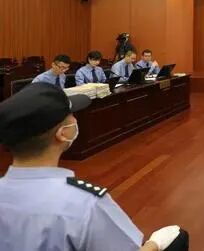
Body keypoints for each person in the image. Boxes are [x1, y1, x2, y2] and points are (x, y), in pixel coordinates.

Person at [0, 83, 190, 251]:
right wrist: (155, 244)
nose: (75, 120)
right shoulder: (84, 203)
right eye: (71, 115)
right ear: (62, 134)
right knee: (177, 238)